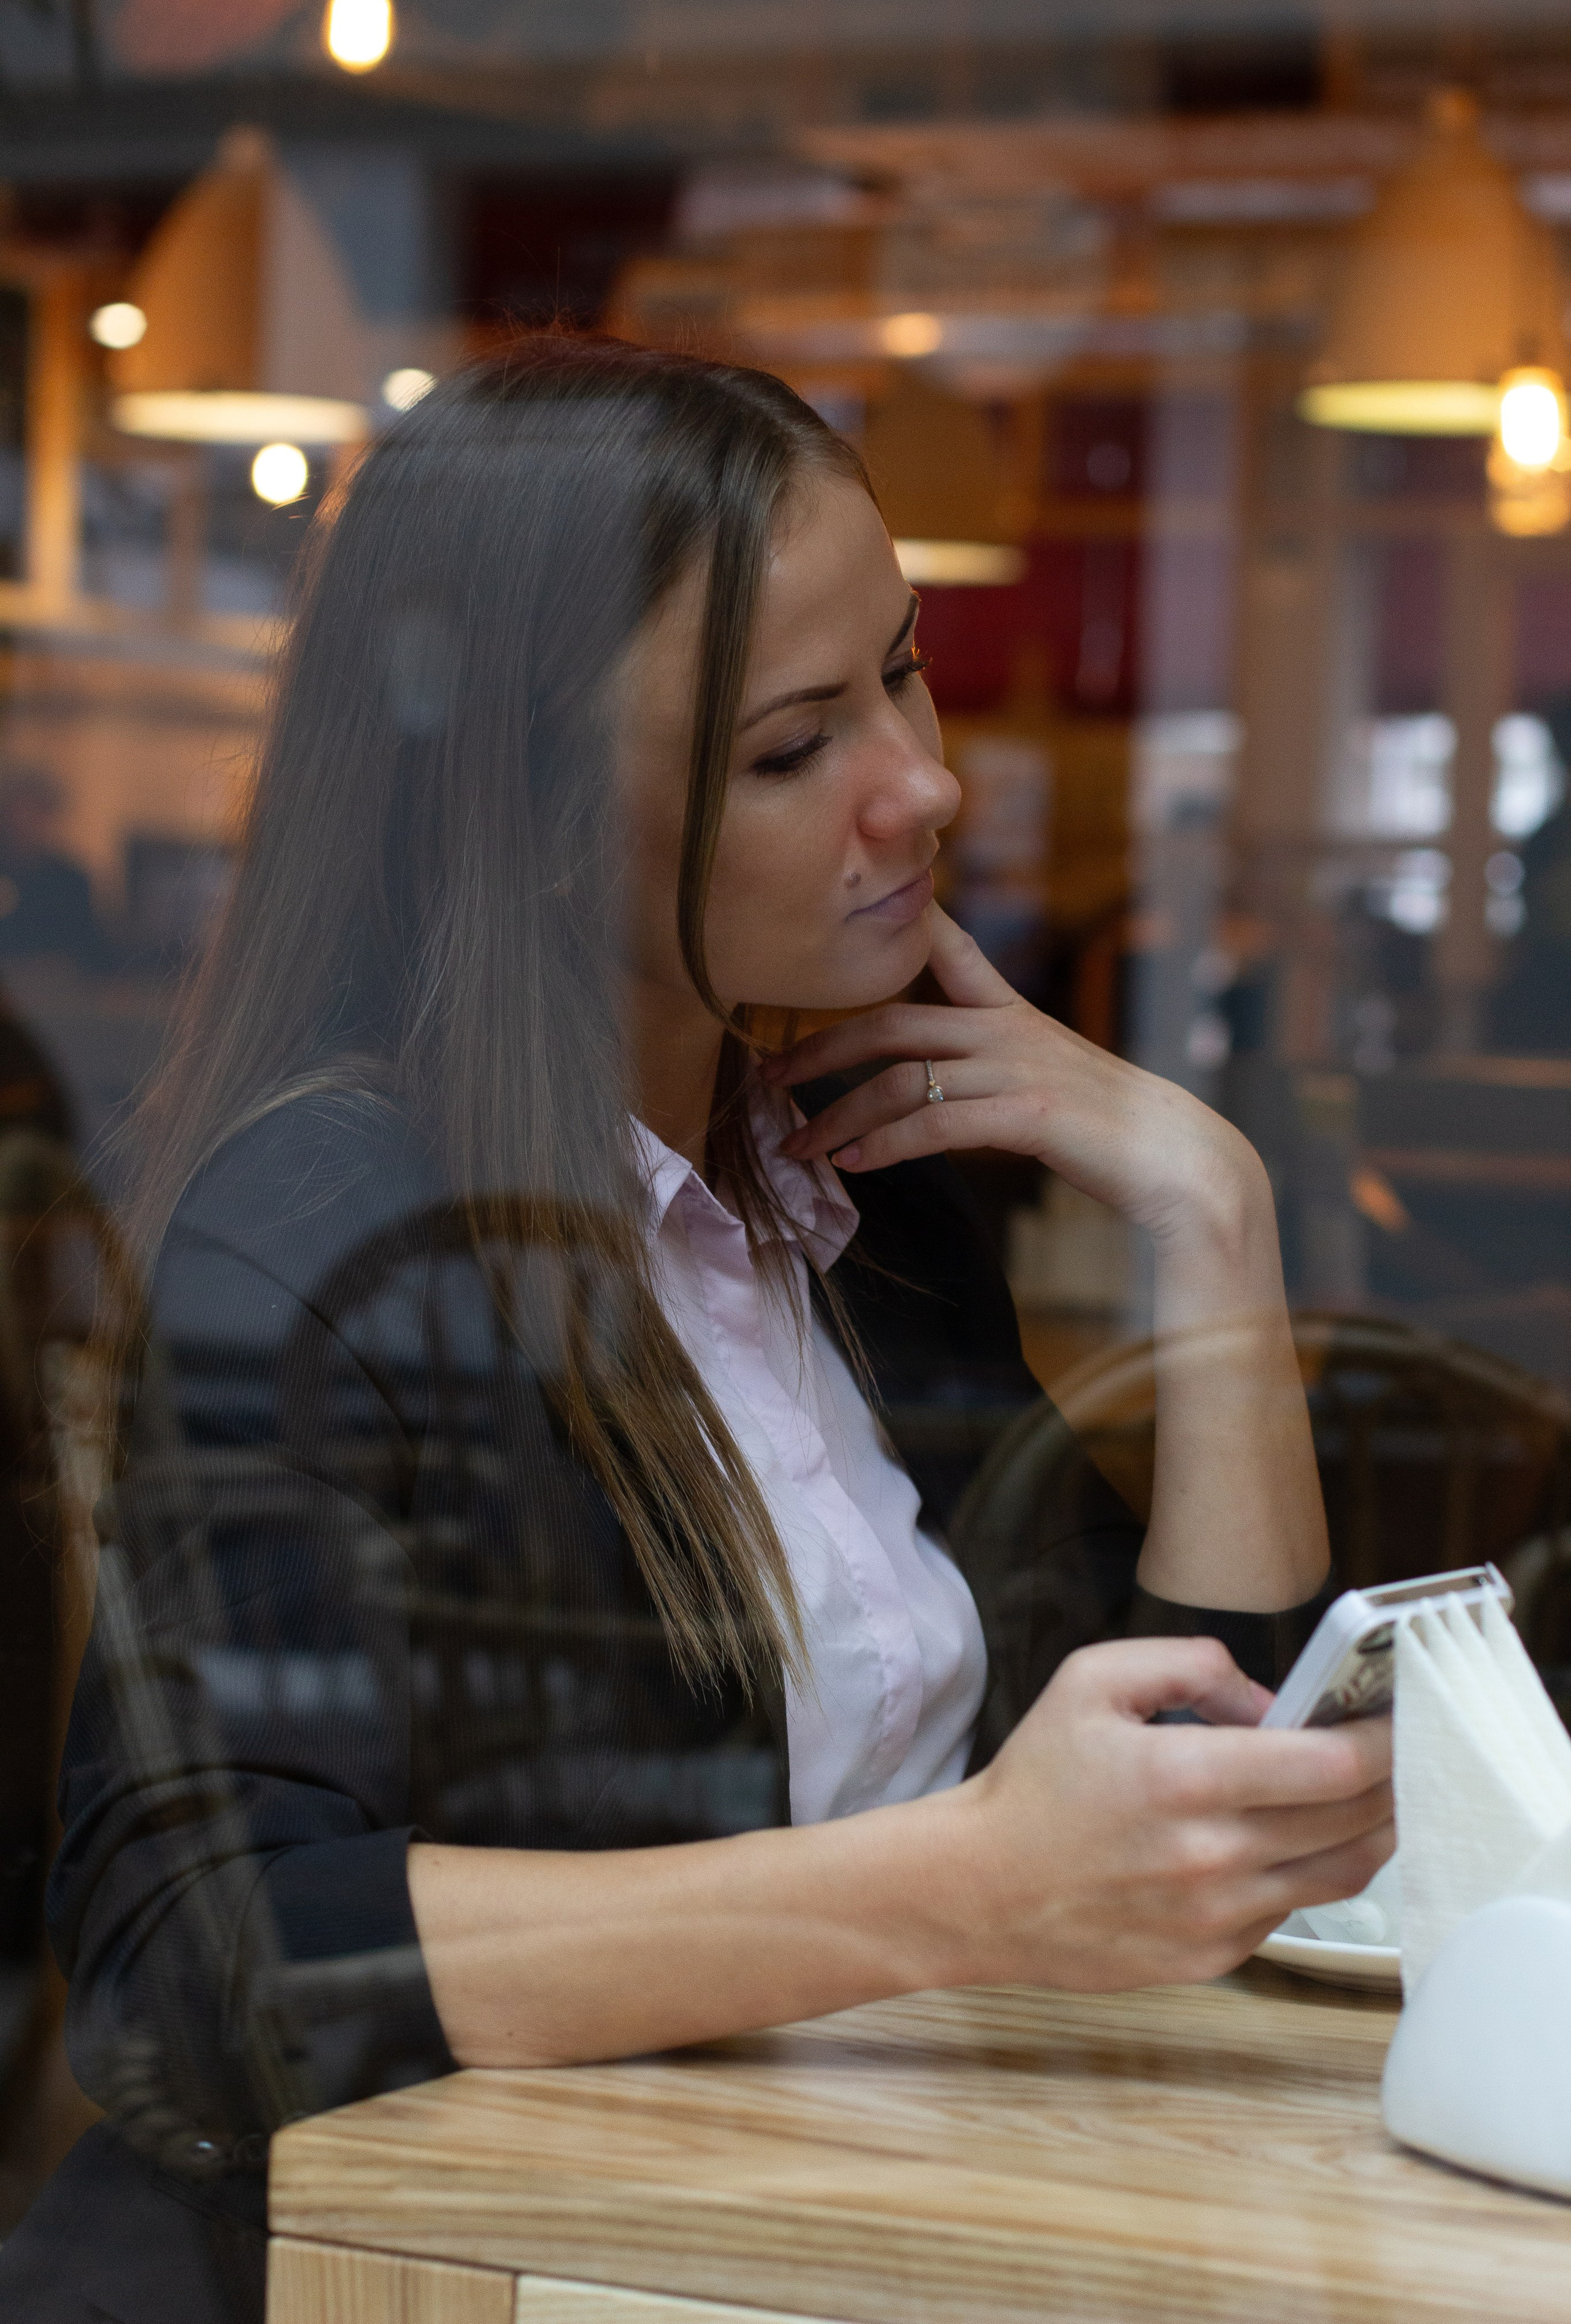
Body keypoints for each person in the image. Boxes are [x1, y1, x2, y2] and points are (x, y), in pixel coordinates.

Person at [1, 338, 1391, 2323]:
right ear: (539, 820)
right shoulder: (331, 1227)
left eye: (900, 672)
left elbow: (1183, 1783)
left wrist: (1214, 1213)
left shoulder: (861, 1170)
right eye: (790, 744)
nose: (926, 785)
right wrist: (968, 1886)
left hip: (829, 2233)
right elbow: (189, 1963)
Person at [0, 768, 113, 977]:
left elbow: (90, 951)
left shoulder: (70, 880)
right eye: (19, 811)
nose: (26, 822)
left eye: (37, 812)